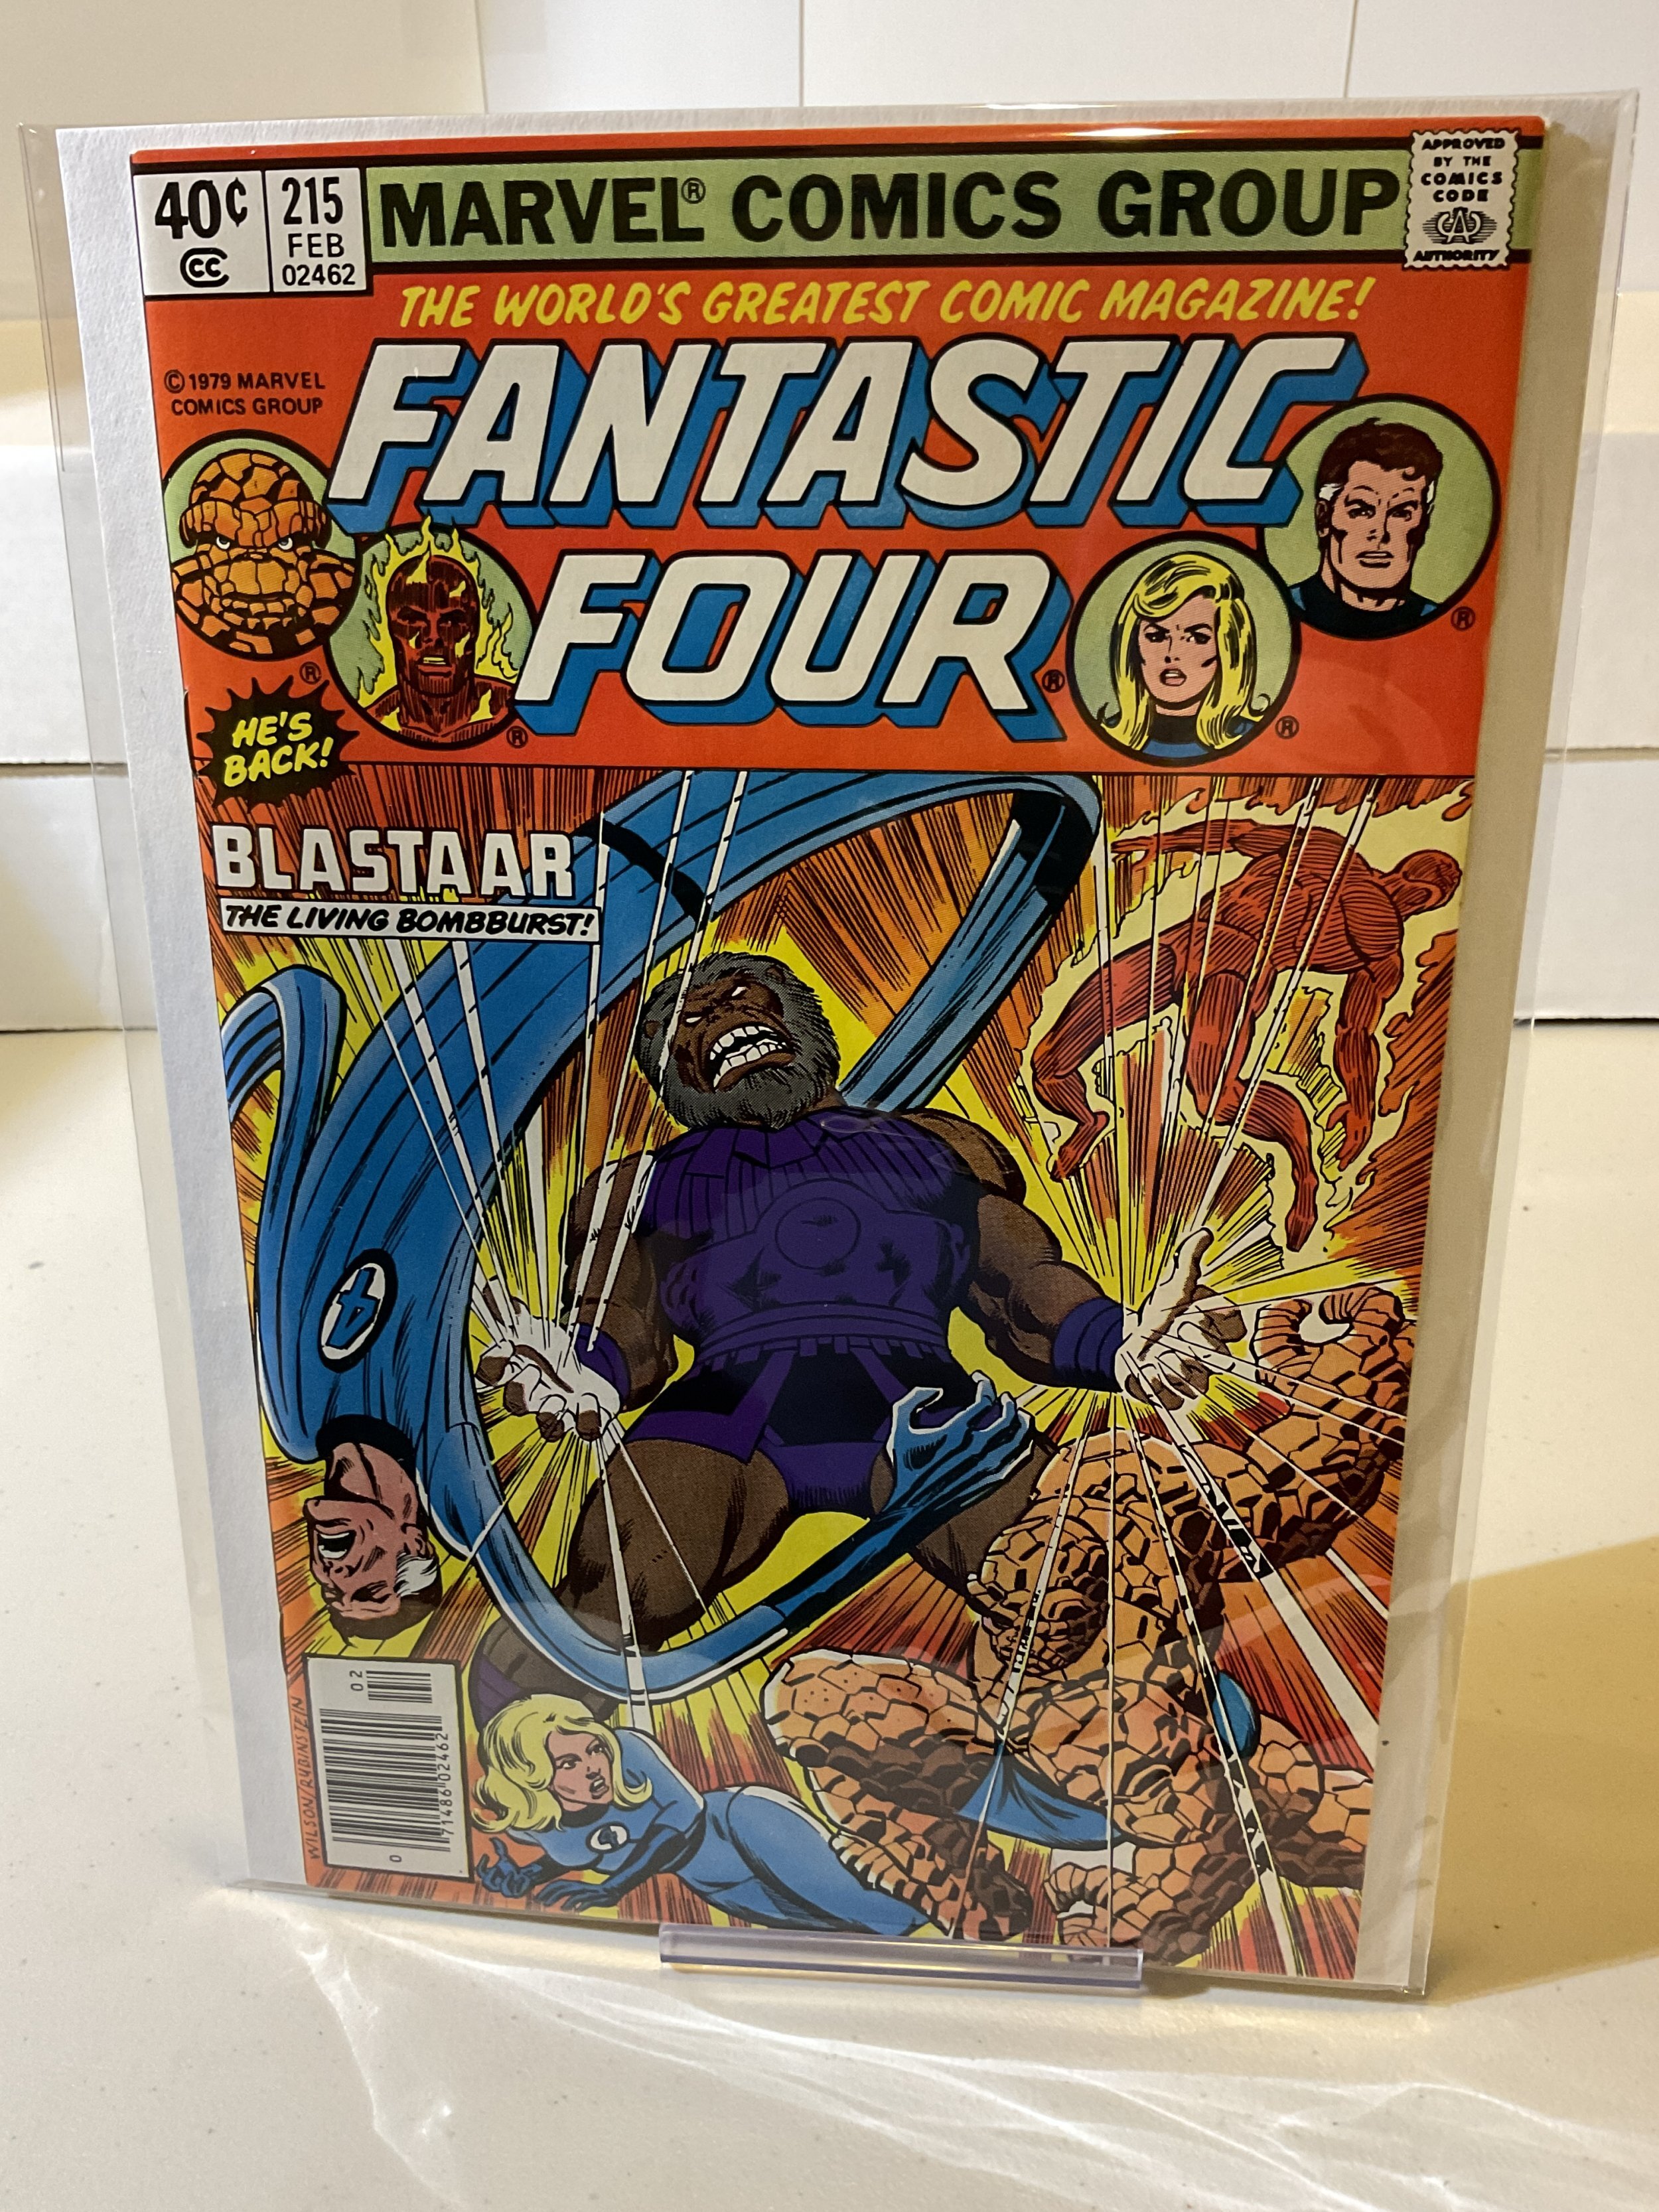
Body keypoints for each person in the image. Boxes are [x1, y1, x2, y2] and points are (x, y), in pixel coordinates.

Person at [469, 950, 1240, 1714]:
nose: (721, 1018)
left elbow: (1015, 1283)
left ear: (801, 1019)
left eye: (742, 996)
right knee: (610, 1606)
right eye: (690, 1022)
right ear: (676, 1076)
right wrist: (582, 1369)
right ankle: (519, 1763)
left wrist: (1114, 1339)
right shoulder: (633, 1185)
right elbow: (625, 1324)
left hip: (925, 1409)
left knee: (1087, 1600)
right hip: (723, 1417)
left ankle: (1180, 1754)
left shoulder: (937, 1142)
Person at [1031, 819, 1461, 1243]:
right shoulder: (1330, 853)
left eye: (1427, 900)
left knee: (1217, 1101)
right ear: (1420, 886)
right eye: (1427, 896)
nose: (1417, 903)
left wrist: (1360, 1104)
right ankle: (1087, 1121)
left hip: (1237, 966)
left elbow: (1355, 1032)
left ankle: (1304, 1172)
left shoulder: (1380, 947)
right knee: (1049, 1064)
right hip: (1184, 939)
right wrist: (1170, 840)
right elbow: (1241, 834)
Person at [472, 1692, 931, 1933]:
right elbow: (577, 1849)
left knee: (877, 1912)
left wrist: (615, 1887)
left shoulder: (629, 1749)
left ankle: (953, 1894)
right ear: (531, 1776)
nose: (595, 1767)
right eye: (569, 1763)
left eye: (594, 1749)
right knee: (840, 1934)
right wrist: (528, 1876)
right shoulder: (533, 1822)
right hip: (713, 1881)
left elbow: (680, 1824)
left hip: (743, 1826)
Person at [1091, 548, 1260, 765]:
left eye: (1197, 638)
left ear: (1228, 649)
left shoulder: (1254, 738)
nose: (1172, 654)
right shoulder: (1101, 738)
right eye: (1156, 636)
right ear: (1132, 646)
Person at [1286, 418, 1445, 639]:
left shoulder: (1438, 623)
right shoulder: (1281, 610)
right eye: (1361, 511)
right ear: (1324, 518)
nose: (1381, 533)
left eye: (1401, 513)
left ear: (1423, 523)